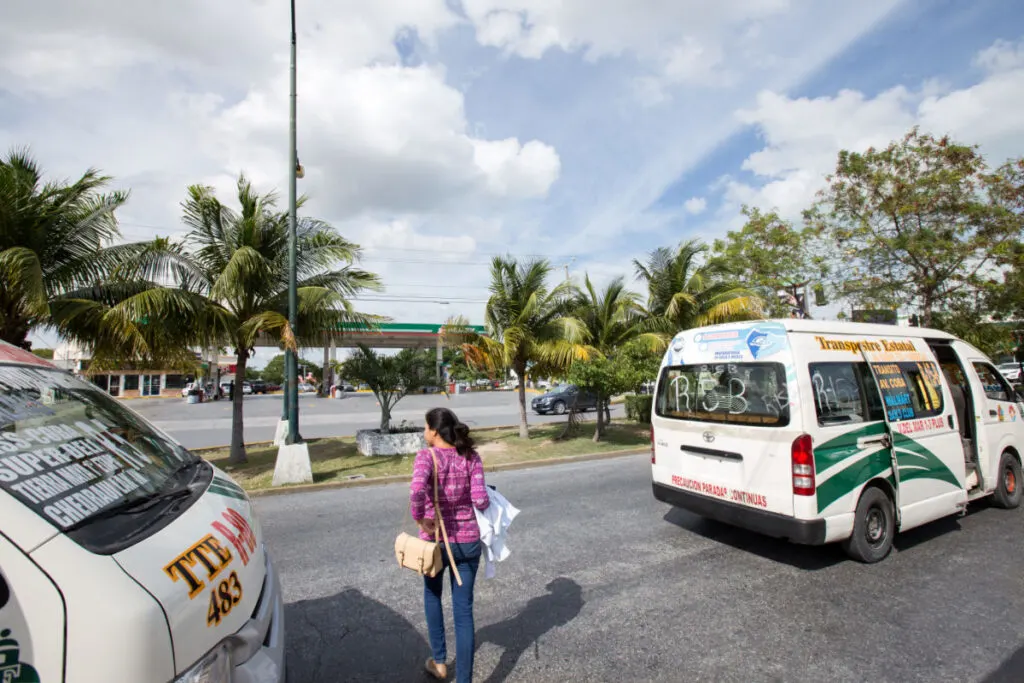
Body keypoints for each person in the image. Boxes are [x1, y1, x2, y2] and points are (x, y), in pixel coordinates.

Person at [410, 407, 490, 683]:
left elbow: (416, 489)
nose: (424, 433)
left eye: (425, 428)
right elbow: (480, 500)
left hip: (436, 544)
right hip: (468, 543)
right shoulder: (470, 456)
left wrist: (420, 518)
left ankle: (440, 662)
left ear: (434, 431)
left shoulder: (426, 457)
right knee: (464, 611)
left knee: (432, 595)